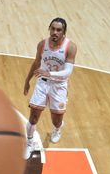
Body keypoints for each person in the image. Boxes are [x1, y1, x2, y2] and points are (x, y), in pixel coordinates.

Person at [22, 17, 77, 159]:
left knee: (56, 120)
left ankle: (57, 129)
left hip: (59, 86)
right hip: (42, 83)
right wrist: (27, 80)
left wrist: (49, 73)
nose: (55, 32)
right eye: (52, 29)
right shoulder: (42, 45)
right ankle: (29, 143)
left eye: (58, 30)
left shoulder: (70, 47)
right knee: (33, 117)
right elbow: (36, 63)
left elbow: (68, 72)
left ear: (64, 32)